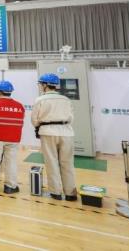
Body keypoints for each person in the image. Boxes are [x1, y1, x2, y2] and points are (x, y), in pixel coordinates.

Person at [32, 73, 77, 201]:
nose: (40, 86)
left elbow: (34, 119)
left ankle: (55, 192)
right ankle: (70, 193)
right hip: (66, 132)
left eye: (41, 84)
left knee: (51, 162)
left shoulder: (40, 100)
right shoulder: (66, 99)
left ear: (45, 85)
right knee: (67, 163)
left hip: (48, 132)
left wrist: (39, 126)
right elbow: (71, 118)